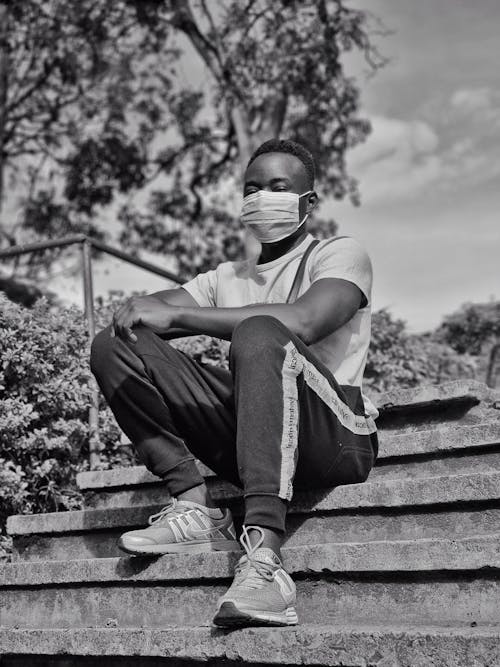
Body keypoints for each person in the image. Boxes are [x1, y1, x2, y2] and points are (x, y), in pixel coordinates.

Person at [90, 138, 378, 628]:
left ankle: (264, 561)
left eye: (278, 187)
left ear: (308, 202)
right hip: (258, 433)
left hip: (335, 436)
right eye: (252, 188)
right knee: (114, 343)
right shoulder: (227, 277)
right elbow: (149, 312)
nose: (262, 196)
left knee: (263, 331)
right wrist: (145, 310)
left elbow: (306, 321)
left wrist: (182, 313)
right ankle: (194, 506)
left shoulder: (338, 254)